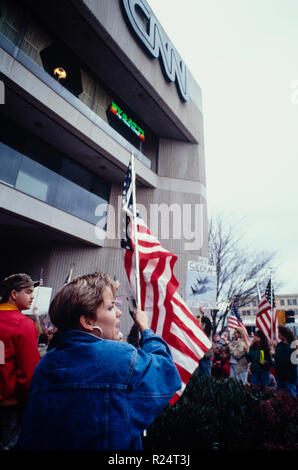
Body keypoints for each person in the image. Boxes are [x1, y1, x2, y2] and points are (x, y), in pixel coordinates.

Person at [16, 272, 182, 450]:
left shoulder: (44, 365)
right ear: (87, 321)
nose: (118, 313)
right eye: (111, 307)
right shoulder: (122, 358)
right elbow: (167, 373)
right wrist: (147, 331)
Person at [0, 273, 40, 450]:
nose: (32, 296)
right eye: (28, 291)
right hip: (9, 407)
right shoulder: (22, 323)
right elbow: (28, 374)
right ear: (14, 294)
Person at [273, 325, 297, 398]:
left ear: (283, 334)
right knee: (280, 396)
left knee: (291, 396)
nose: (278, 335)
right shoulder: (280, 345)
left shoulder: (292, 346)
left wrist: (274, 355)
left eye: (279, 333)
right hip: (280, 375)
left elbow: (285, 360)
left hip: (289, 376)